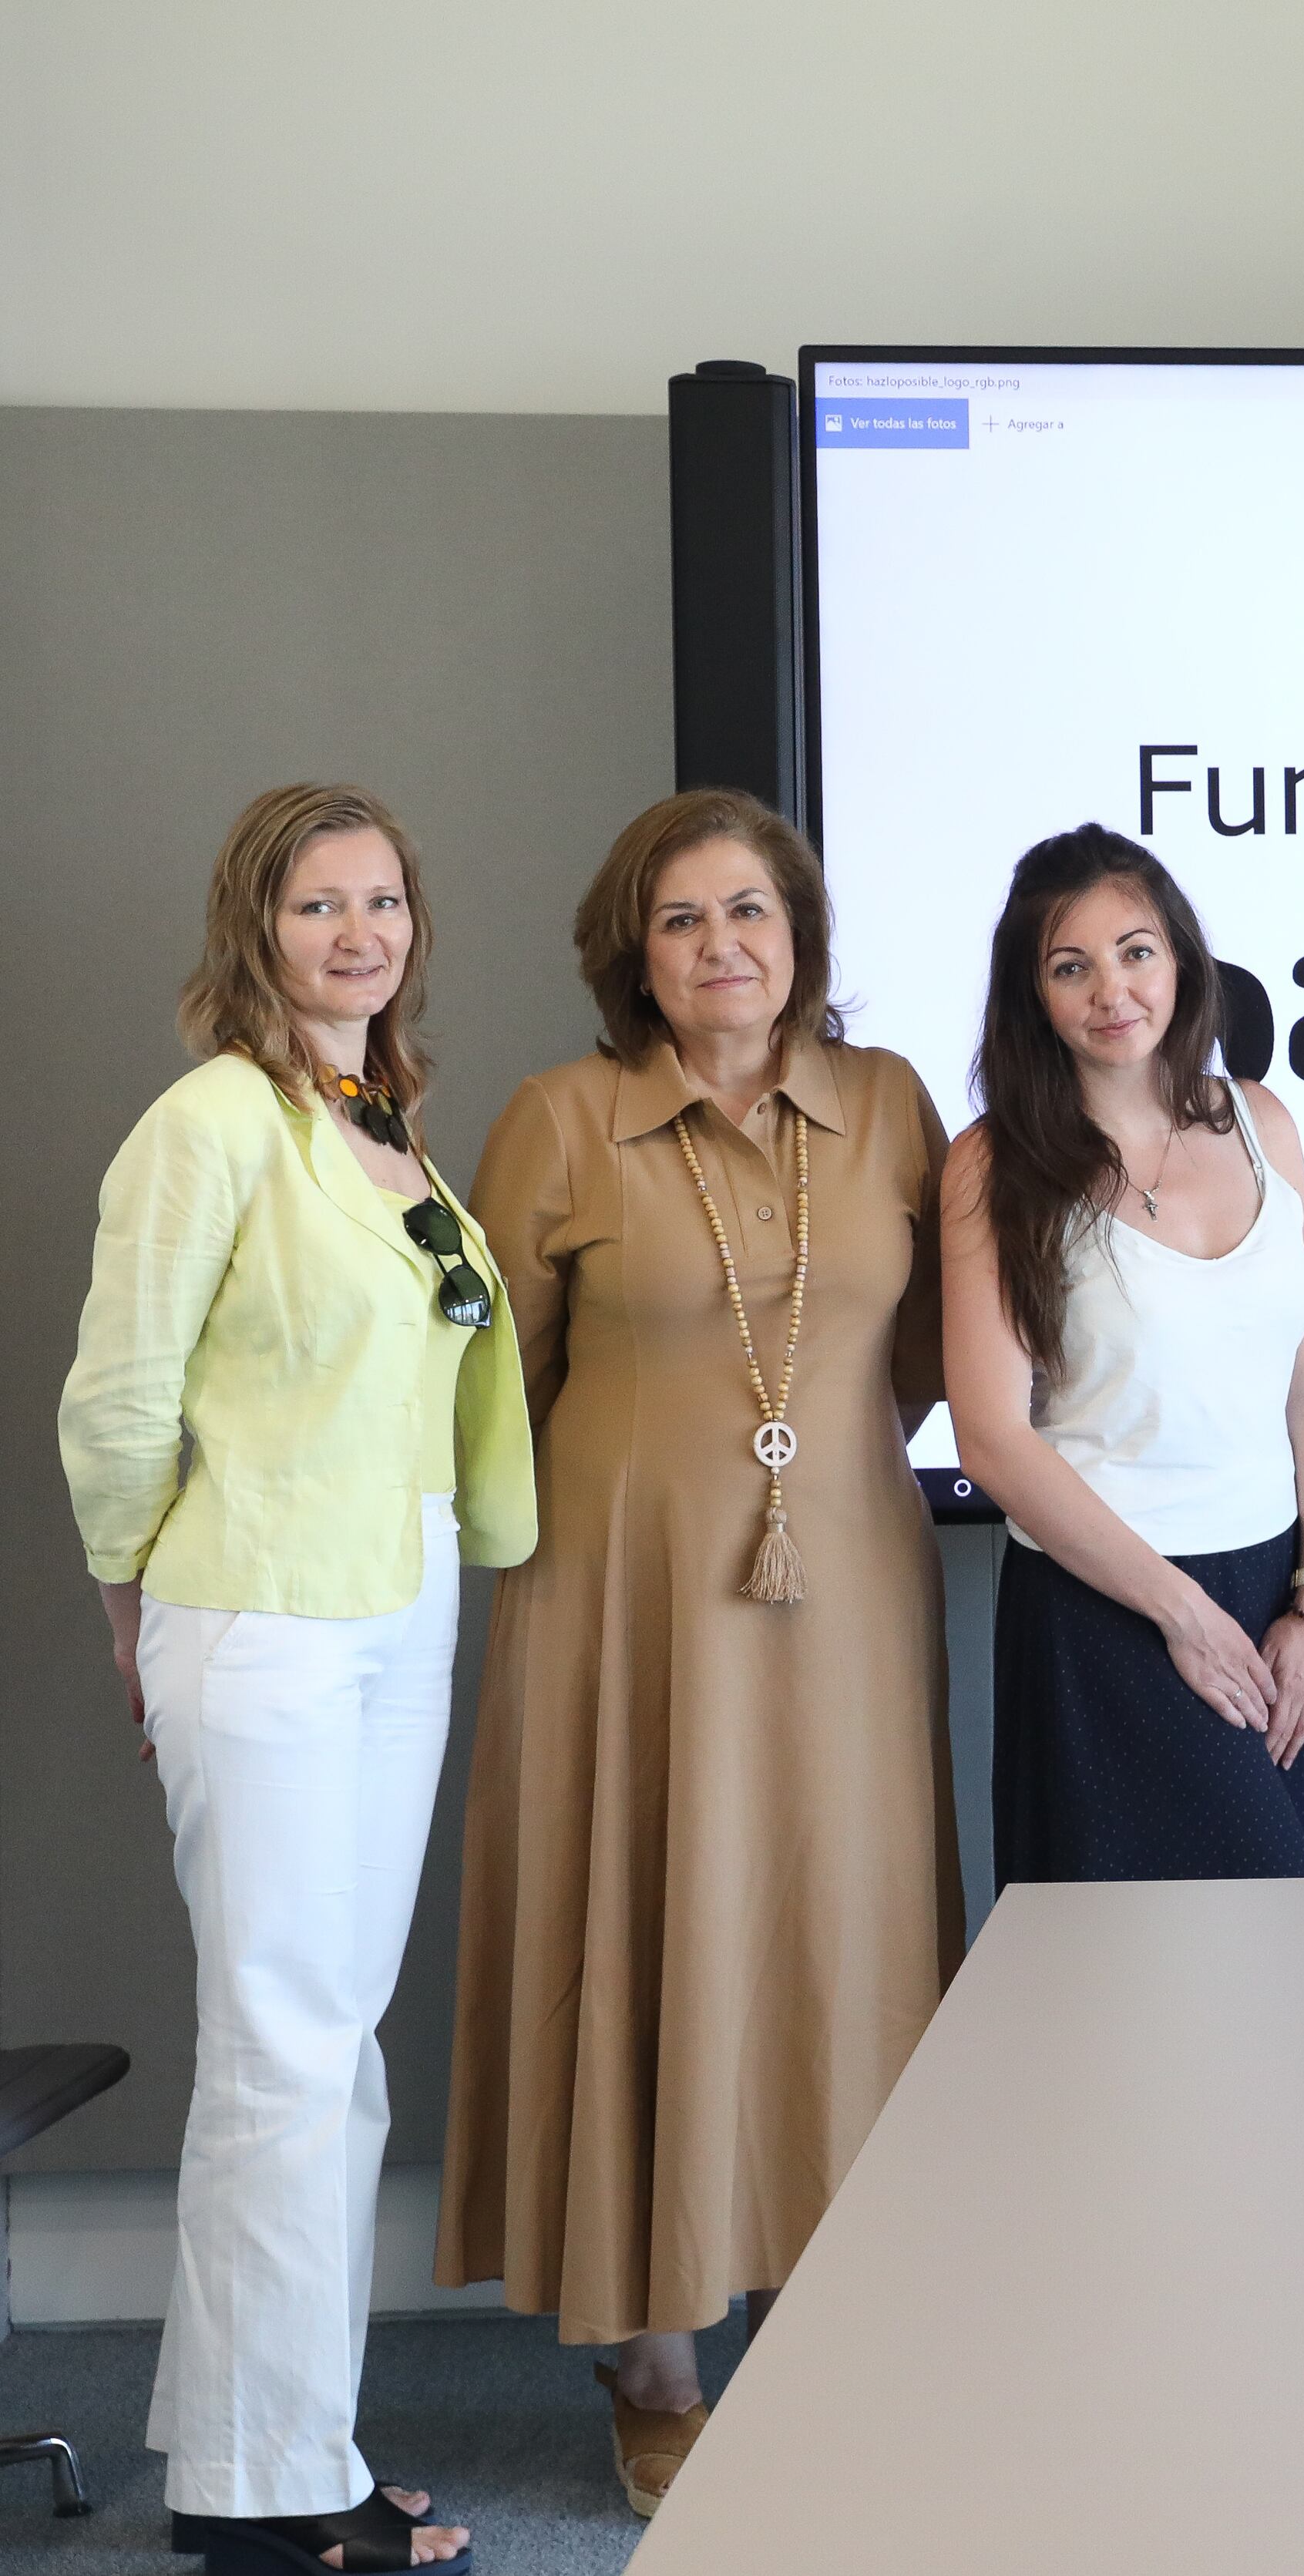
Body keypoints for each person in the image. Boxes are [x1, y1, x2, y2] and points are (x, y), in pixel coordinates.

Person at [434, 789, 960, 2516]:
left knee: (841, 1941)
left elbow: (926, 1357)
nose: (720, 946)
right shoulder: (559, 1119)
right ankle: (653, 2363)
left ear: (801, 937)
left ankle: (843, 2330)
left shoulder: (889, 1105)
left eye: (749, 912)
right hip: (624, 1604)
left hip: (846, 1597)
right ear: (632, 957)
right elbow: (489, 1393)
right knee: (643, 1926)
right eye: (681, 920)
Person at [61, 784, 533, 2574]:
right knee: (283, 2047)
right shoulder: (210, 1121)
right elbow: (121, 1396)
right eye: (318, 903)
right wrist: (130, 1601)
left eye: (384, 900)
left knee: (328, 2055)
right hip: (259, 1612)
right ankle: (273, 2499)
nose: (359, 933)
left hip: (394, 1606)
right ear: (254, 927)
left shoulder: (380, 1124)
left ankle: (259, 2450)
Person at [946, 825, 1304, 1881]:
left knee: (1270, 1944)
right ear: (1032, 994)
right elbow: (990, 1439)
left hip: (1266, 1590)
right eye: (1069, 967)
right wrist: (1181, 1614)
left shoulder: (1263, 1122)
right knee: (1124, 1957)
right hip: (1100, 1607)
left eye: (1135, 952)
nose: (1111, 991)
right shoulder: (993, 1165)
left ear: (1180, 959)